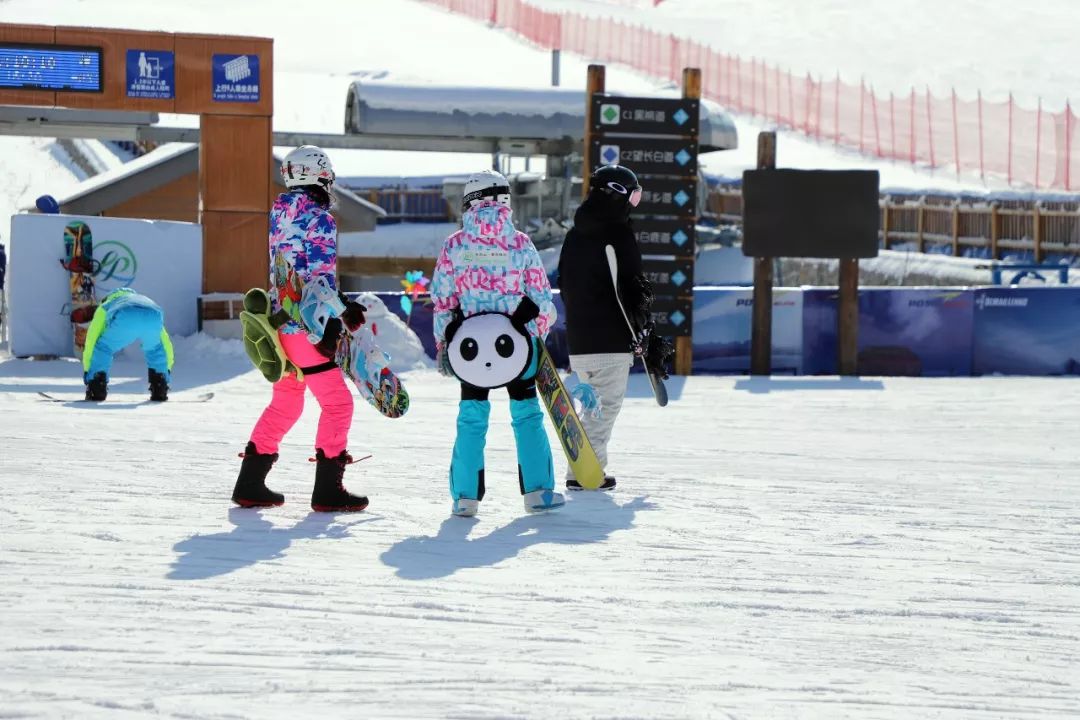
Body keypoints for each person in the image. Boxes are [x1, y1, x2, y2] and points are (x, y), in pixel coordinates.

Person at [232, 145, 368, 513]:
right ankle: (328, 490)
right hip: (308, 327)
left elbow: (294, 272)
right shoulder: (320, 219)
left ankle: (250, 483)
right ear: (323, 177)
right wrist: (342, 312)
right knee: (337, 403)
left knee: (287, 402)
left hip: (280, 324)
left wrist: (338, 304)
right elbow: (319, 281)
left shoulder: (279, 214)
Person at [432, 169, 563, 517]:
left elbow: (443, 300)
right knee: (527, 414)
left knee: (471, 418)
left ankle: (465, 497)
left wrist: (445, 344)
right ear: (505, 199)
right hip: (515, 345)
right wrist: (535, 336)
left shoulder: (455, 245)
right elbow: (541, 296)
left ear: (469, 202)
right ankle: (537, 491)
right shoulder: (520, 243)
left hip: (471, 348)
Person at [556, 164, 657, 491]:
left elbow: (565, 285)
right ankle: (587, 472)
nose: (632, 205)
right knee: (604, 408)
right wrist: (642, 328)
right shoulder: (618, 234)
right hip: (611, 339)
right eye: (634, 196)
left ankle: (580, 468)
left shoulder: (574, 235)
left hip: (579, 338)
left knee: (593, 407)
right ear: (618, 194)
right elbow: (634, 287)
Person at [82, 287, 174, 402]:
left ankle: (97, 386)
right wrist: (167, 372)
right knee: (156, 348)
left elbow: (92, 340)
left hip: (125, 314)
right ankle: (160, 385)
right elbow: (166, 344)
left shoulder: (105, 305)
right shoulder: (141, 299)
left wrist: (88, 372)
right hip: (154, 313)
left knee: (103, 348)